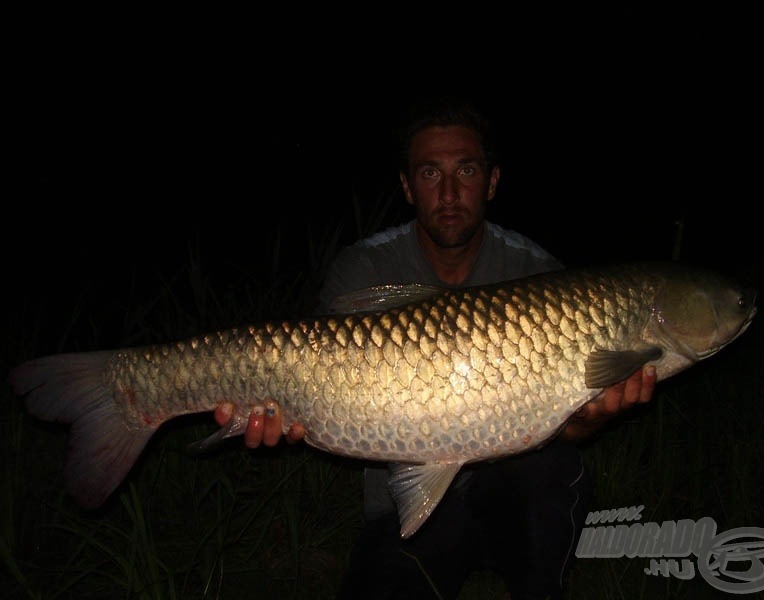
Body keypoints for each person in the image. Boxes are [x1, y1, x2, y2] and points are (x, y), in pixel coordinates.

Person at [215, 97, 656, 599]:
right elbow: (317, 388)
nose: (448, 192)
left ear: (491, 181)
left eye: (465, 170)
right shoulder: (364, 269)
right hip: (402, 509)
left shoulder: (539, 275)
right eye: (429, 174)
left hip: (510, 495)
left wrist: (596, 414)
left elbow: (570, 426)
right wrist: (287, 412)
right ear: (407, 187)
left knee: (549, 471)